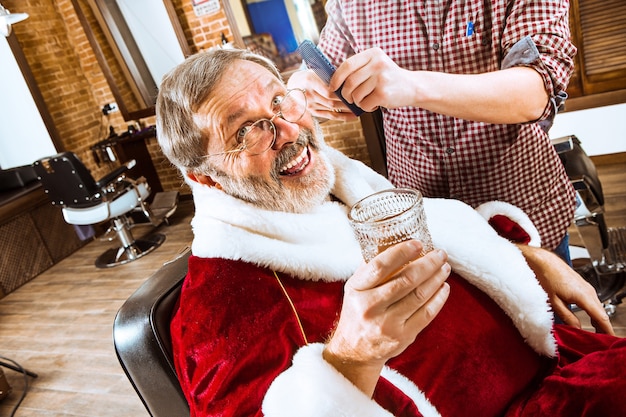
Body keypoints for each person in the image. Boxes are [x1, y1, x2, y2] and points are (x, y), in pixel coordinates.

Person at [155, 48, 624, 417]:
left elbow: (448, 234)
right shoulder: (218, 304)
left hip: (558, 360)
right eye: (246, 132)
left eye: (279, 100)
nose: (287, 130)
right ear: (205, 178)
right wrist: (351, 359)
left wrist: (524, 257)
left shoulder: (345, 184)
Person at [287, 0, 577, 264]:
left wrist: (412, 86)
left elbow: (537, 92)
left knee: (547, 320)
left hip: (521, 209)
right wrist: (304, 87)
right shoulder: (351, 5)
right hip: (424, 221)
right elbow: (323, 73)